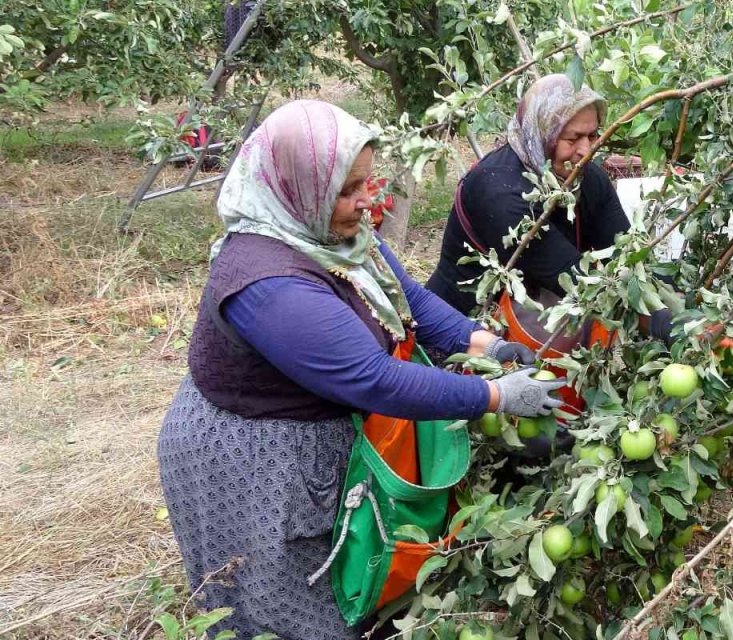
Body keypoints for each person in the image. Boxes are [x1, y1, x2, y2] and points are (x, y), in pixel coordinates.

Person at [156, 100, 564, 640]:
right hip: (253, 457)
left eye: (367, 183)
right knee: (283, 600)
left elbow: (408, 296)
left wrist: (483, 342)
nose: (366, 202)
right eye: (347, 190)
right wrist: (494, 396)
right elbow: (373, 379)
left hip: (315, 433)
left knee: (350, 575)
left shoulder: (335, 238)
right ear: (299, 188)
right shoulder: (266, 280)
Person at [425, 74, 672, 341]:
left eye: (592, 135)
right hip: (461, 334)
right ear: (542, 133)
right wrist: (663, 321)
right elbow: (573, 278)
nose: (585, 150)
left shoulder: (589, 180)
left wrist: (673, 296)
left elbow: (625, 255)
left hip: (535, 336)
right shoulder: (499, 192)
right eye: (572, 138)